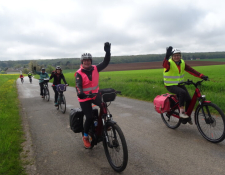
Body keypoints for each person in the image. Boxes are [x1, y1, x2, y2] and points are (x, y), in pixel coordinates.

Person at [75, 42, 111, 148]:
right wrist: (80, 93)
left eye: (88, 60)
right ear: (82, 62)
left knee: (104, 105)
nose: (87, 62)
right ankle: (85, 137)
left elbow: (105, 62)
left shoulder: (95, 68)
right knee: (89, 117)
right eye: (85, 60)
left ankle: (105, 123)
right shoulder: (79, 73)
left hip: (95, 95)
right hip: (84, 98)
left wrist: (107, 52)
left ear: (91, 61)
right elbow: (78, 85)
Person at [163, 46, 208, 123]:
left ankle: (186, 117)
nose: (177, 57)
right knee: (182, 92)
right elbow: (164, 65)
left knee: (189, 100)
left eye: (178, 55)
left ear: (180, 56)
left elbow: (191, 70)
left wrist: (201, 76)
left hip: (180, 84)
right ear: (172, 56)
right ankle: (182, 112)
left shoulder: (182, 63)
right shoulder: (169, 63)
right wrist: (166, 57)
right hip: (170, 85)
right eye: (175, 55)